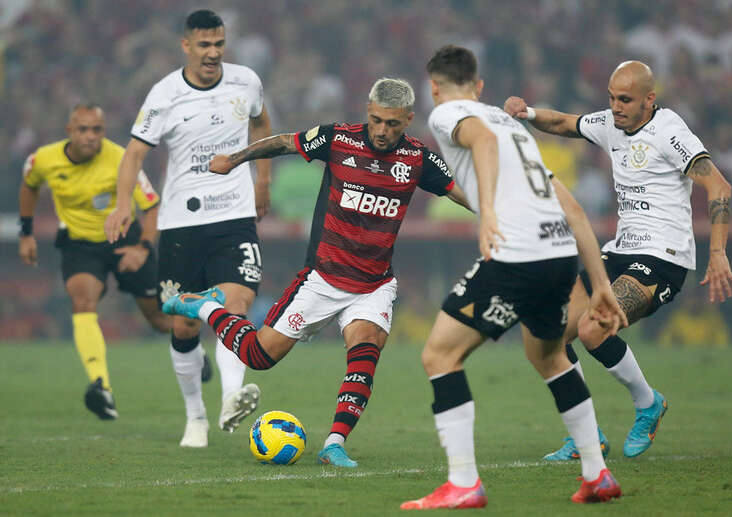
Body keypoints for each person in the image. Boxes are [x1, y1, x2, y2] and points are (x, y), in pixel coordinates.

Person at [162, 77, 470, 467]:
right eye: (375, 119)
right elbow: (284, 141)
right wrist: (234, 160)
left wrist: (500, 214)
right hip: (322, 278)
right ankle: (205, 307)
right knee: (258, 356)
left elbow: (461, 191)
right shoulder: (339, 139)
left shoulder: (418, 159)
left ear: (408, 119)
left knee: (365, 350)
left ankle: (334, 443)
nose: (381, 130)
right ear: (367, 110)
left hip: (373, 284)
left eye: (392, 123)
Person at [400, 45, 629, 510]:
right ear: (481, 85)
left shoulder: (448, 115)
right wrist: (600, 283)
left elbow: (479, 141)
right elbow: (573, 207)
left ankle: (463, 483)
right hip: (559, 255)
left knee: (439, 355)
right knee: (547, 355)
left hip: (517, 255)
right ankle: (597, 474)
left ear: (434, 88)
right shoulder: (513, 129)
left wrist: (486, 215)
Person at [503, 60, 732, 460]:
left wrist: (717, 253)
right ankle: (586, 435)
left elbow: (719, 185)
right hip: (619, 251)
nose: (616, 106)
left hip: (664, 258)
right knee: (549, 335)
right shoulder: (613, 123)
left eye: (625, 99)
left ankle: (648, 404)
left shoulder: (669, 131)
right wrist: (526, 113)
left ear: (650, 98)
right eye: (611, 98)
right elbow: (565, 124)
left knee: (595, 327)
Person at [104, 10, 272, 448]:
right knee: (182, 326)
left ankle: (232, 398)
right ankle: (194, 417)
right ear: (186, 46)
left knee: (236, 305)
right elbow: (133, 155)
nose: (213, 52)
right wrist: (124, 204)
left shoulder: (246, 82)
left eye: (219, 43)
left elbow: (261, 123)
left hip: (234, 215)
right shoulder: (164, 95)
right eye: (204, 45)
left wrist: (264, 181)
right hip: (181, 223)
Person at [18, 102, 171, 420]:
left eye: (97, 130)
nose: (90, 136)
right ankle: (101, 386)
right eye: (83, 129)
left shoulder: (121, 159)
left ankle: (191, 349)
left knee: (159, 321)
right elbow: (29, 185)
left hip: (126, 240)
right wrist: (26, 232)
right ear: (69, 132)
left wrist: (142, 248)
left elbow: (152, 206)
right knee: (82, 301)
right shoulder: (43, 159)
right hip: (81, 245)